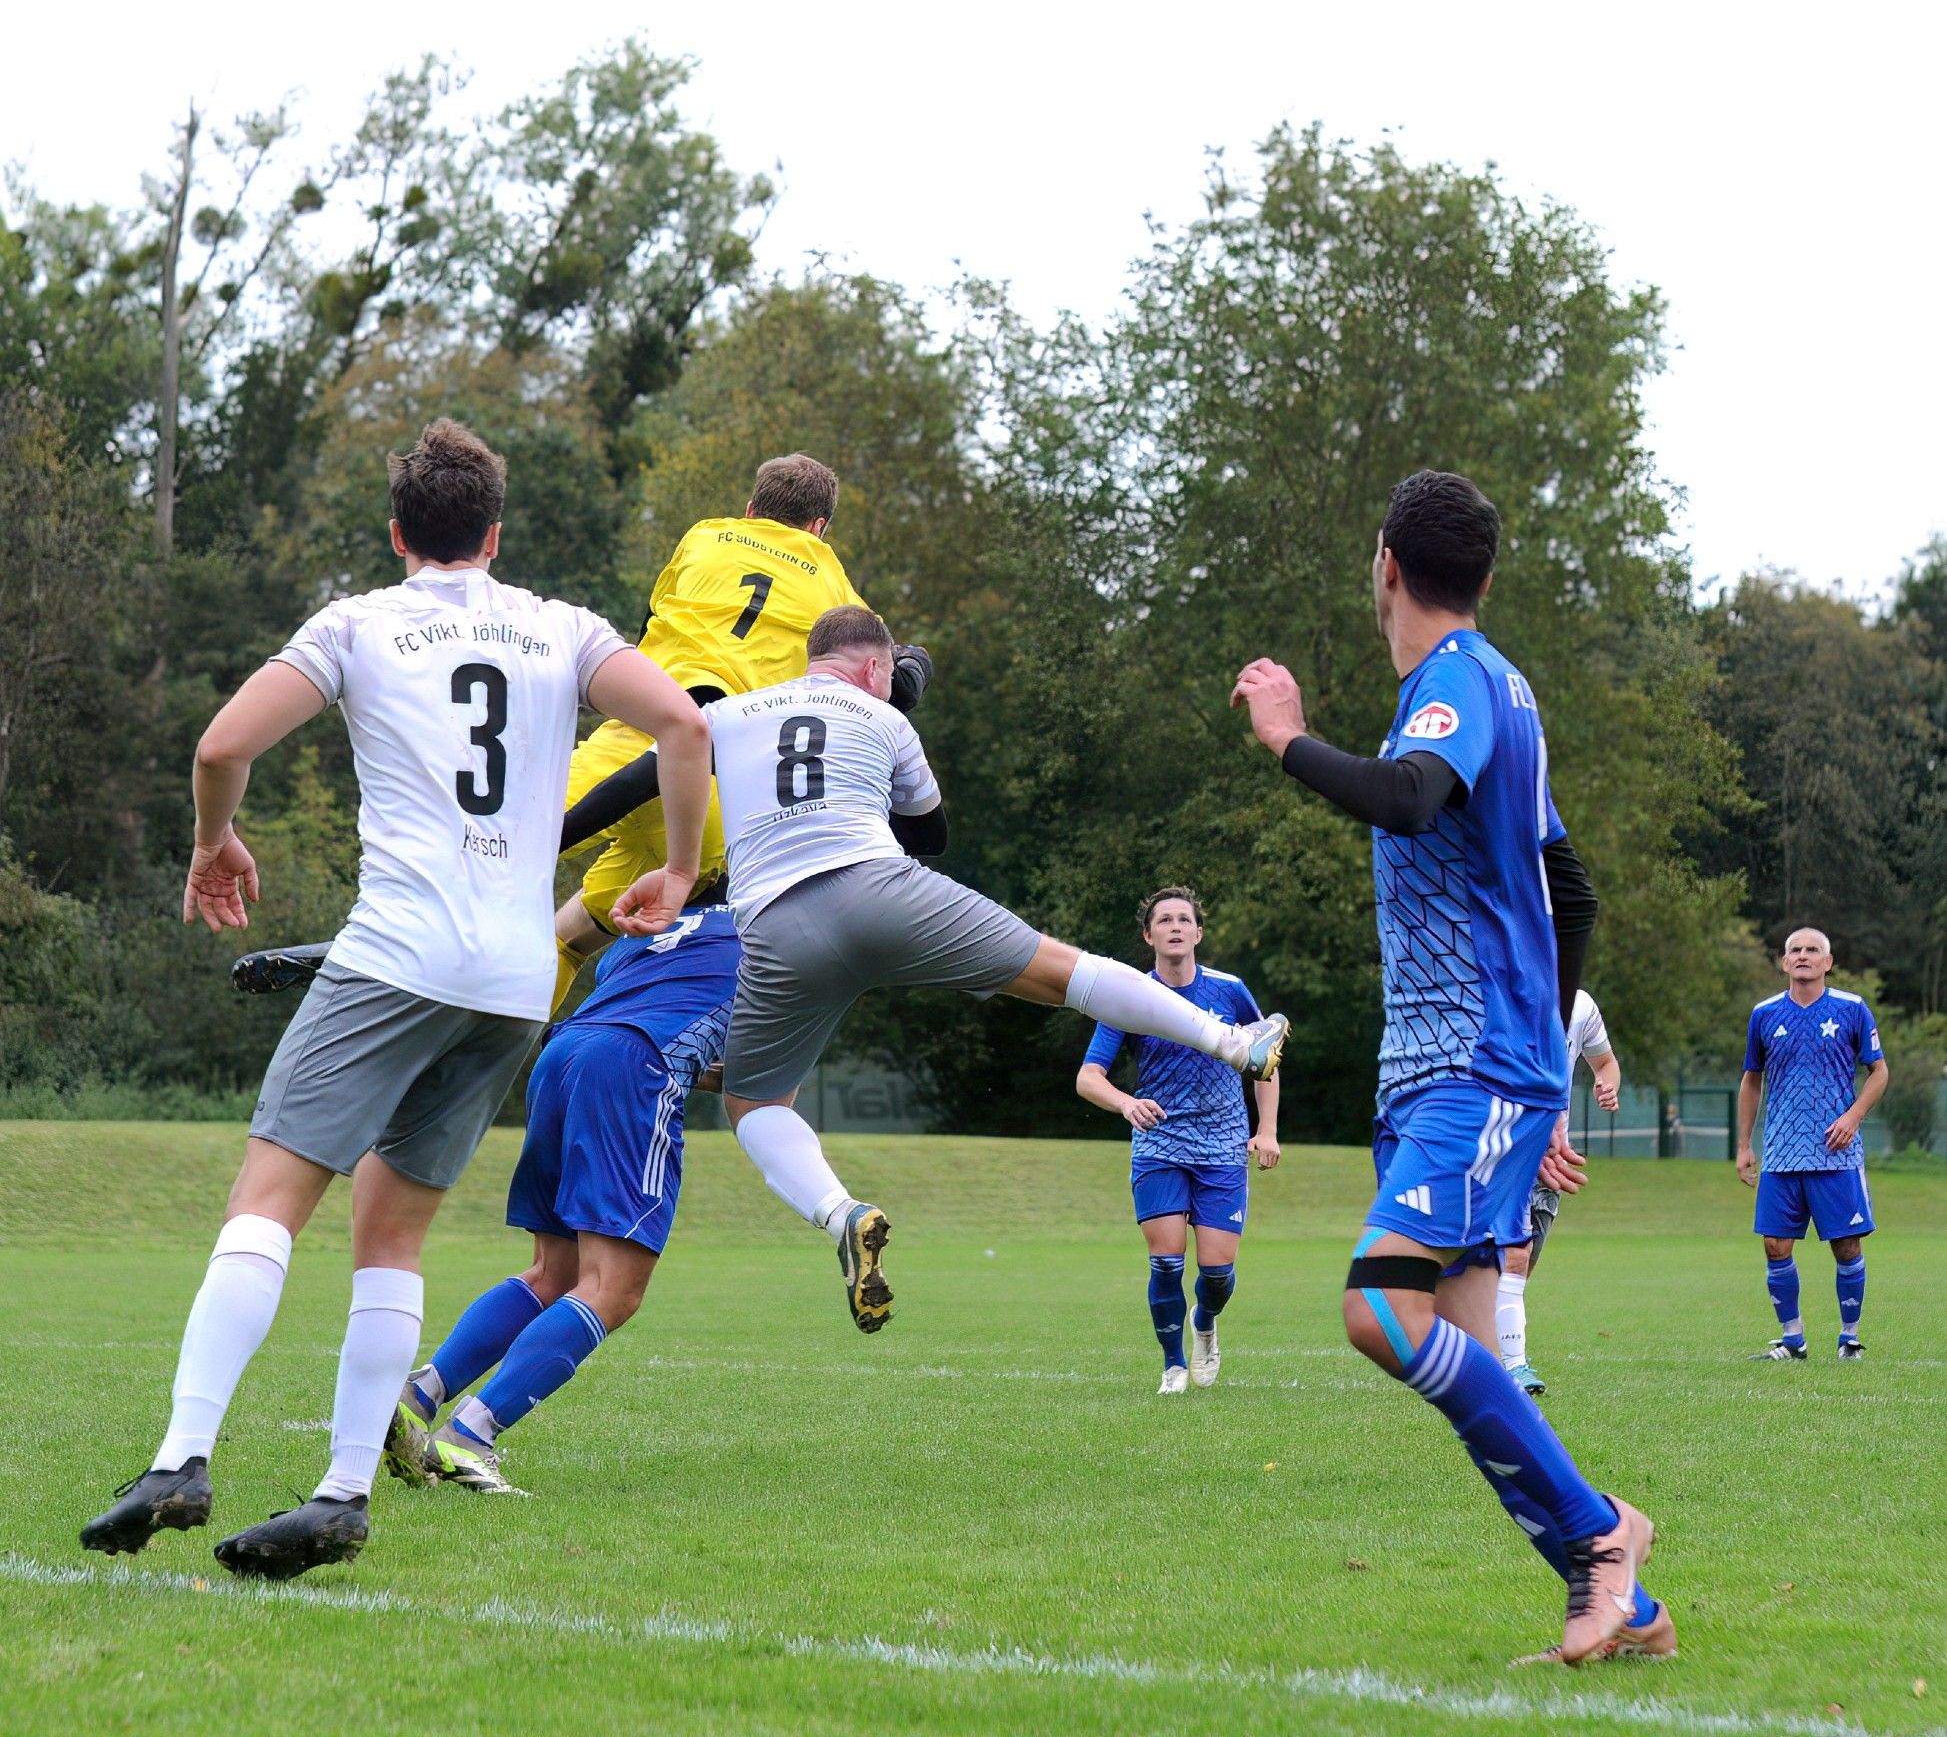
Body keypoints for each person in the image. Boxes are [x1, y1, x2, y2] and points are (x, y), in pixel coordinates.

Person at [79, 418, 710, 1580]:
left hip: (396, 955)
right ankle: (342, 1490)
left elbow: (224, 743)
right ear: (495, 531)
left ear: (397, 532)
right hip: (516, 981)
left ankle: (181, 1454)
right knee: (396, 1228)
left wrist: (216, 842)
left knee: (268, 1193)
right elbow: (681, 721)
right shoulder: (560, 625)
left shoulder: (360, 619)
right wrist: (673, 866)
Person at [1231, 468, 1672, 1666]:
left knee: (1380, 1309)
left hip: (1470, 1066)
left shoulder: (1459, 685)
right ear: (1477, 570)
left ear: (1386, 565)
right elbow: (1565, 884)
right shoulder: (1500, 693)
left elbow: (1411, 798)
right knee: (1471, 1358)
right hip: (1467, 1066)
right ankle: (1628, 1595)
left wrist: (1287, 739)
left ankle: (1598, 1539)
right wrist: (1548, 1047)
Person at [609, 603, 1289, 1335]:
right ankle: (1232, 1043)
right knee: (1061, 974)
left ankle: (842, 1214)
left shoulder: (733, 713)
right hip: (879, 890)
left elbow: (635, 779)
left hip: (775, 925)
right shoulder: (888, 718)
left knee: (755, 1104)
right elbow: (930, 833)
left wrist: (570, 839)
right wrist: (895, 713)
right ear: (877, 668)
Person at [385, 892, 740, 1493]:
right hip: (632, 1069)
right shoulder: (770, 931)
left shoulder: (651, 923)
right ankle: (470, 1435)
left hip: (562, 1056)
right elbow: (751, 1063)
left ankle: (418, 1397)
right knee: (614, 1290)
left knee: (553, 1273)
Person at [552, 453, 908, 1009]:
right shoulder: (834, 584)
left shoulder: (705, 535)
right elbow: (878, 672)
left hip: (624, 745)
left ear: (750, 509)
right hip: (707, 798)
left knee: (498, 847)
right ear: (819, 529)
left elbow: (659, 609)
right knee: (587, 934)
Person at [1075, 886, 1280, 1393]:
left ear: (1198, 933)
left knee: (1216, 1273)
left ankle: (1204, 1323)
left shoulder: (1229, 990)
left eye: (1183, 919)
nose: (1174, 926)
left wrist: (1267, 1130)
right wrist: (1125, 1102)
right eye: (1163, 920)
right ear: (1148, 935)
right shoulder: (1129, 994)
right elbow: (1088, 1077)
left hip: (1223, 1145)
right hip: (1160, 1142)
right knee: (1166, 1261)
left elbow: (1265, 1060)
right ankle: (1173, 1365)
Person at [1738, 927, 1887, 1362]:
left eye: (1812, 950)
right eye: (1795, 951)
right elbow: (1751, 1079)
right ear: (1784, 962)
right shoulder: (1764, 1014)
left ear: (1828, 961)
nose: (1803, 956)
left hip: (1836, 1154)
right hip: (1782, 1153)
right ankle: (1792, 1340)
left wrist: (1853, 1116)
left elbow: (1879, 1072)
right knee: (1774, 1246)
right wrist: (1745, 1145)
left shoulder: (1852, 1009)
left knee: (1847, 1246)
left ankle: (1850, 1339)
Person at [1497, 987, 1622, 1396]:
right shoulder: (1498, 992)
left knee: (1522, 1266)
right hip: (1499, 1148)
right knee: (1514, 1255)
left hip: (1552, 1155)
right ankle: (1513, 1367)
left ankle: (1480, 1350)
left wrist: (1607, 1084)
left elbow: (1604, 1062)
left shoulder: (1581, 1004)